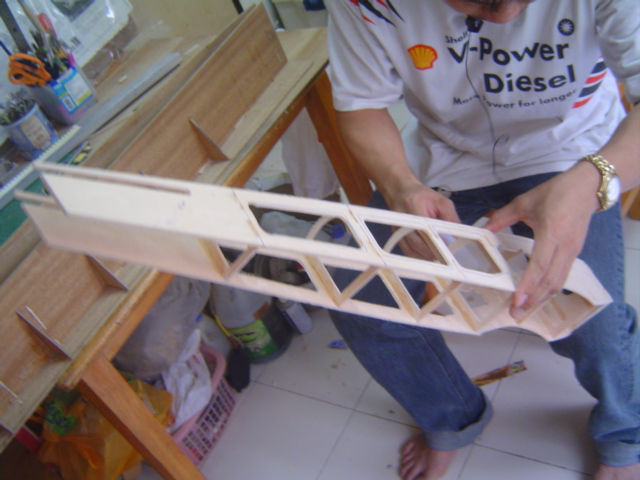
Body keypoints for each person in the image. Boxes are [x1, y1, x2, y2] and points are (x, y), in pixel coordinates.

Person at [325, 1, 640, 479]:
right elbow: (361, 103)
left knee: (595, 321)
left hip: (573, 156)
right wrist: (400, 186)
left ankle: (625, 431)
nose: (504, 17)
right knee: (359, 300)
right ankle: (452, 415)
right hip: (443, 160)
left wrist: (591, 182)